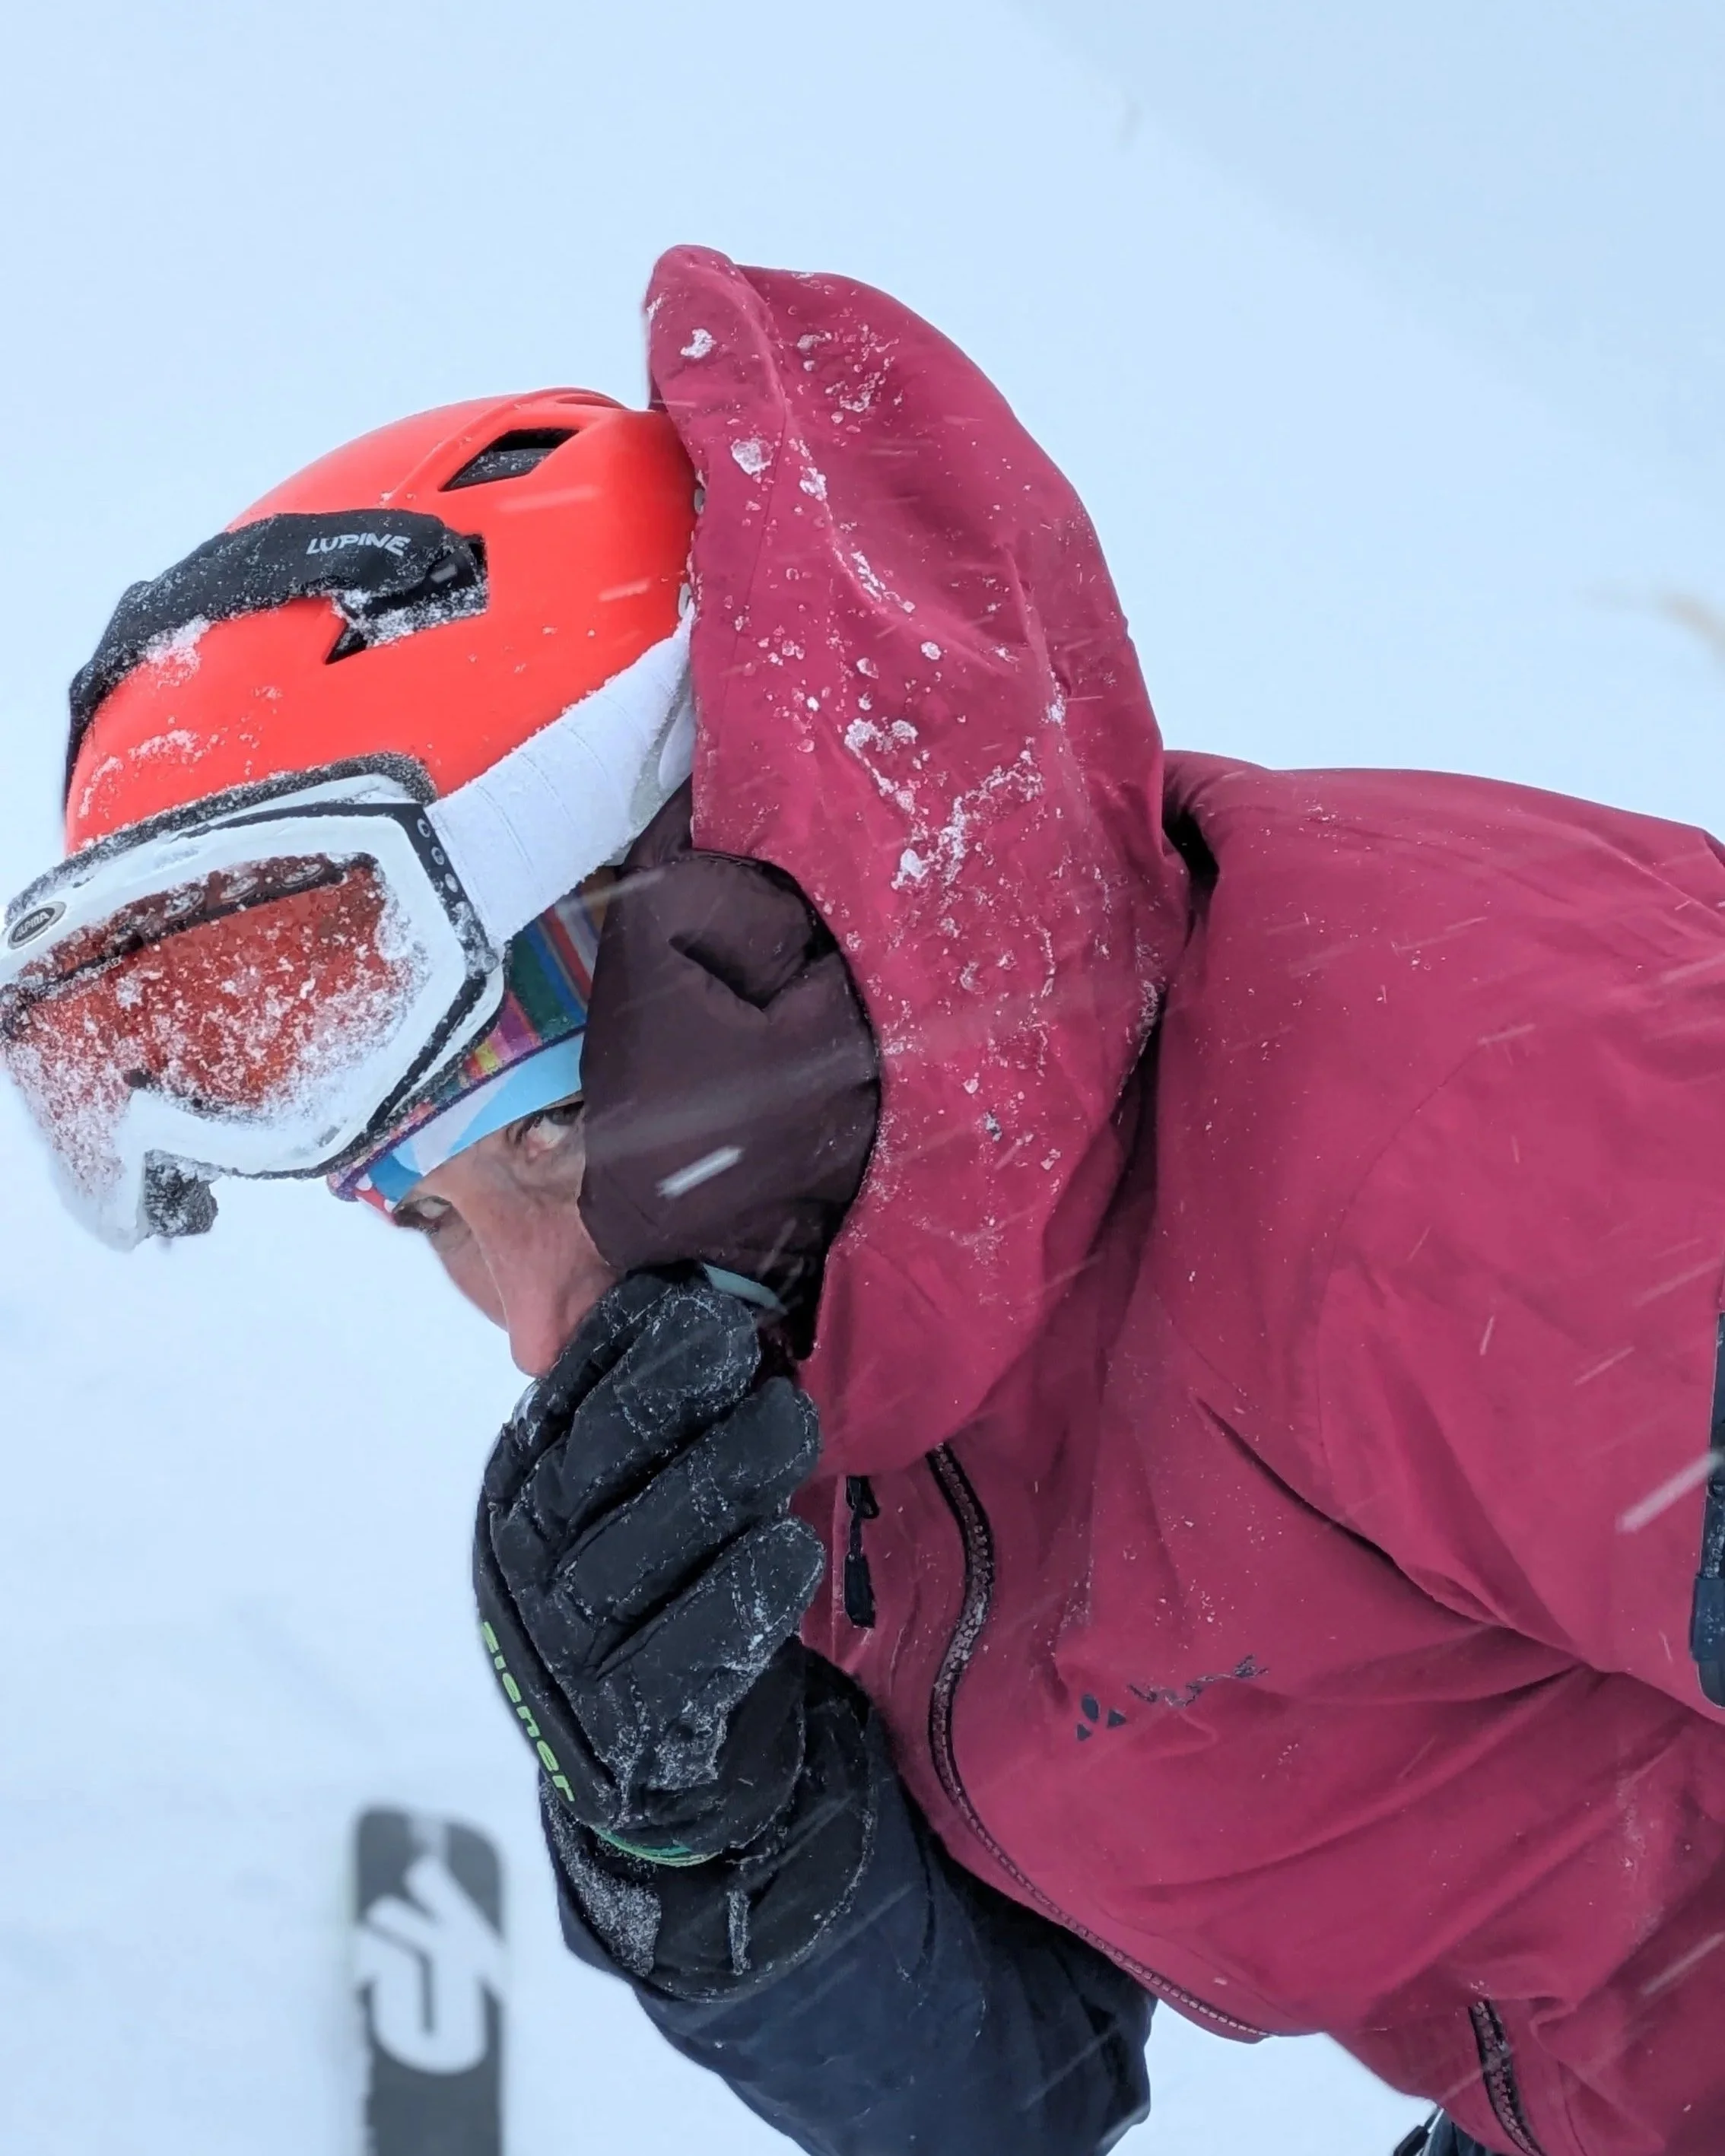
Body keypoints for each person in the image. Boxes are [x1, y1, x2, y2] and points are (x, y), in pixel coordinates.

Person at [5, 244, 1725, 2156]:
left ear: (749, 928)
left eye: (545, 1140)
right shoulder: (826, 1361)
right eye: (428, 1216)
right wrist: (709, 1838)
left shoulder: (1457, 1125)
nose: (533, 1334)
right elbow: (1018, 2093)